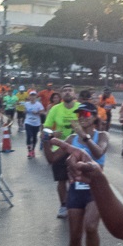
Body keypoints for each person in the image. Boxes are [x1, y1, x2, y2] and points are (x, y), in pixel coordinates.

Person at [62, 103, 109, 246]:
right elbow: (54, 158)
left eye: (86, 113)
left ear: (95, 117)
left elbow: (98, 152)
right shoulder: (71, 138)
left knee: (90, 227)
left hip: (95, 189)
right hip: (75, 189)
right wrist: (48, 140)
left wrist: (85, 137)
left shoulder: (102, 136)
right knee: (74, 235)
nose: (82, 116)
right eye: (79, 114)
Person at [43, 85, 80, 219]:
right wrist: (52, 133)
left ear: (74, 94)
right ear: (61, 95)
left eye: (70, 90)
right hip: (59, 148)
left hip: (77, 148)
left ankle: (78, 203)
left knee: (78, 179)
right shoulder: (55, 109)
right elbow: (46, 128)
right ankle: (63, 205)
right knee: (61, 180)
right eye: (64, 90)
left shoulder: (80, 108)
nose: (67, 92)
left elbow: (91, 123)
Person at [22, 90, 45, 159]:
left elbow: (42, 112)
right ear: (29, 97)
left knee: (34, 137)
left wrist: (37, 113)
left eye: (34, 95)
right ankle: (29, 151)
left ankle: (33, 149)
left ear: (36, 96)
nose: (32, 97)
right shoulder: (26, 104)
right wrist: (25, 111)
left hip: (36, 123)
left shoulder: (38, 104)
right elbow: (24, 111)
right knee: (29, 136)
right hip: (28, 122)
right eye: (31, 95)